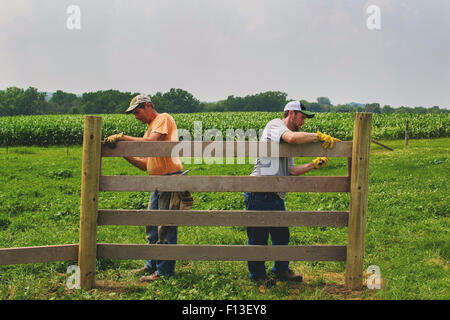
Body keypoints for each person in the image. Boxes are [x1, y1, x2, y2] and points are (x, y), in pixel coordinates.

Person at [243, 100, 341, 286]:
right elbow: (292, 138)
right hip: (259, 190)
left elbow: (291, 171)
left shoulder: (287, 142)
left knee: (282, 235)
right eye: (302, 117)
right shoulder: (275, 125)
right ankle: (258, 276)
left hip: (275, 194)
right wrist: (318, 136)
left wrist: (314, 164)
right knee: (258, 237)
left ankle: (280, 270)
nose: (303, 122)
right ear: (291, 113)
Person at [103, 94, 192, 282]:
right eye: (134, 114)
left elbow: (152, 143)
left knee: (165, 227)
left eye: (138, 112)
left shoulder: (163, 119)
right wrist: (123, 153)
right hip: (156, 182)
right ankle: (151, 265)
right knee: (151, 226)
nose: (137, 117)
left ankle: (164, 272)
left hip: (169, 180)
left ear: (149, 106)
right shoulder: (149, 130)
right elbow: (145, 164)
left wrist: (123, 137)